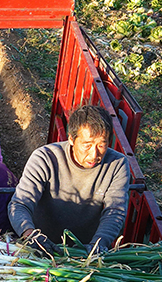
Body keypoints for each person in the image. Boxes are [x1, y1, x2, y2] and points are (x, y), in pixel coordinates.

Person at [8, 105, 129, 255]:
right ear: (71, 139)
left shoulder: (117, 164)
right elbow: (20, 204)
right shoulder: (45, 158)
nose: (94, 154)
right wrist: (31, 235)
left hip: (85, 253)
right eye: (87, 145)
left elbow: (115, 210)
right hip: (40, 248)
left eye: (101, 145)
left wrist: (97, 244)